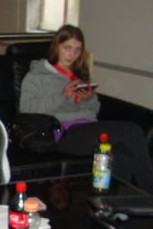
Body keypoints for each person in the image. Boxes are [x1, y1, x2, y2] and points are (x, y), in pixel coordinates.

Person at [20, 24, 153, 193]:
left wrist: (89, 98)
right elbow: (27, 110)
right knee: (132, 131)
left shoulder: (80, 75)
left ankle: (112, 202)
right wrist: (63, 96)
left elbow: (94, 110)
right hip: (61, 132)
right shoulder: (37, 76)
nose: (72, 55)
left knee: (122, 154)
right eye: (67, 48)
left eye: (77, 50)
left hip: (86, 127)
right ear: (56, 46)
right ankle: (150, 195)